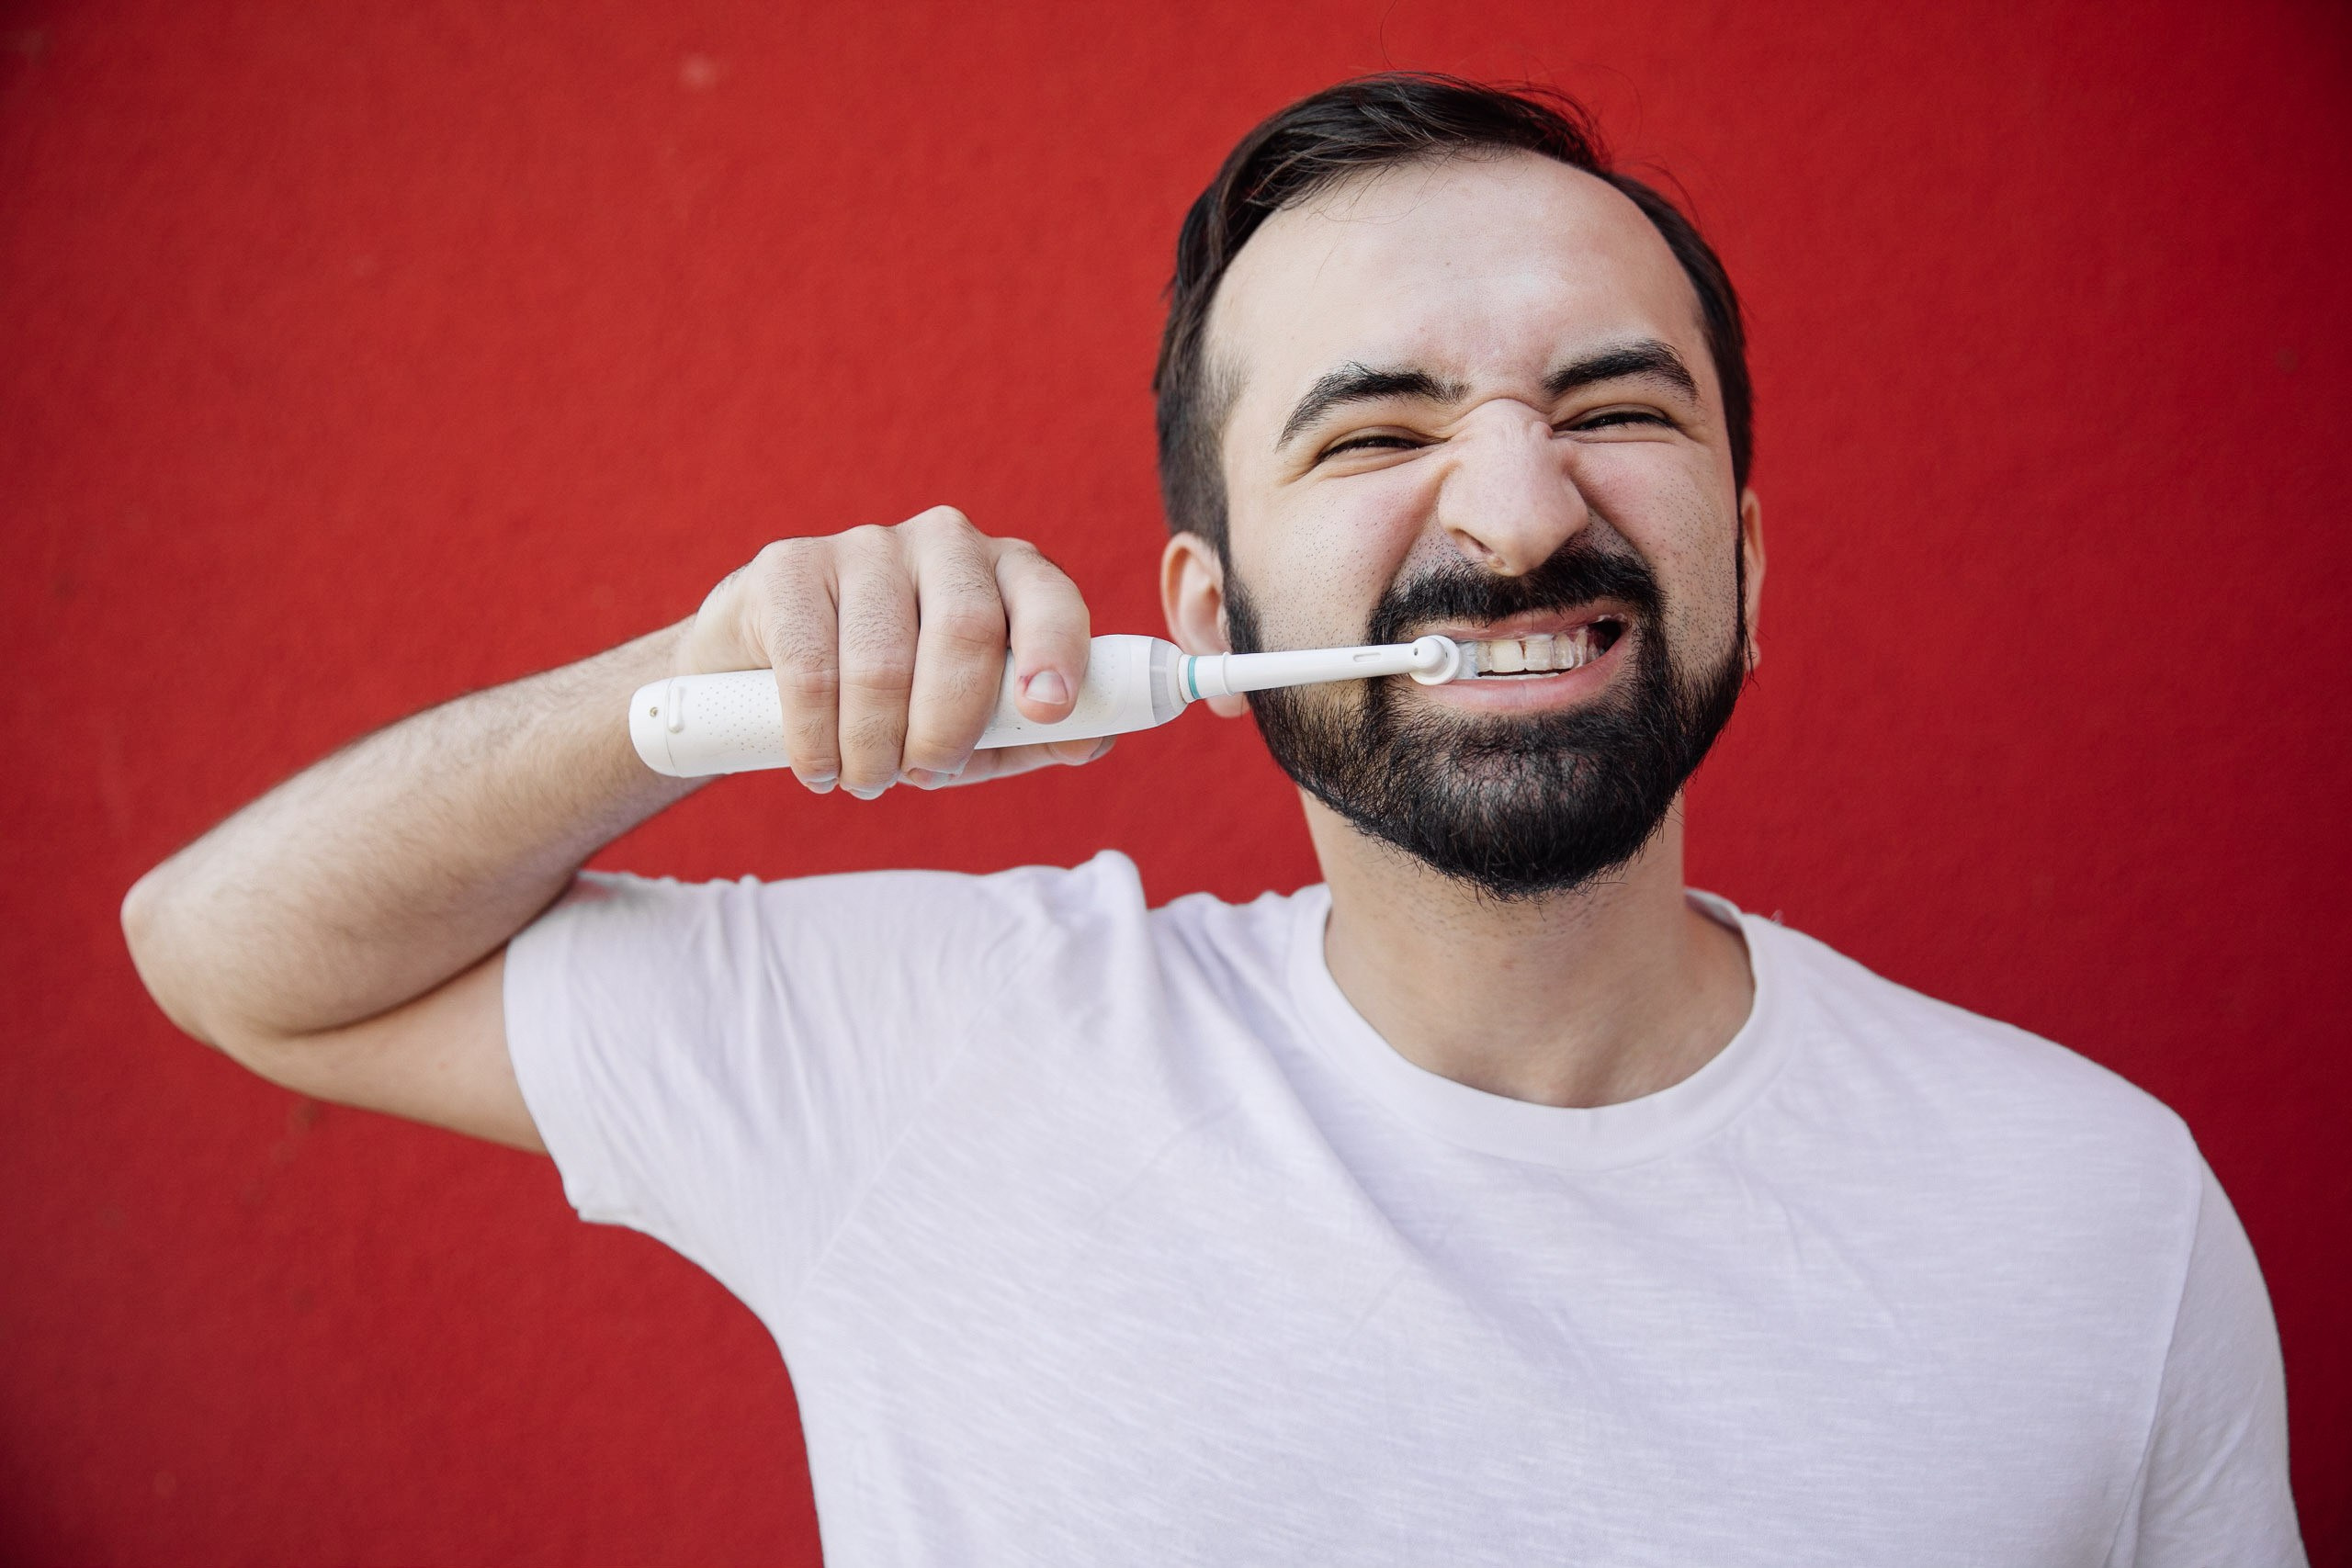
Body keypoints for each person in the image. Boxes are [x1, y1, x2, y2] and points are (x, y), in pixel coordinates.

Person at [120, 74, 2302, 1565]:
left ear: (1744, 549)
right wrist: (689, 691)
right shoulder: (938, 1053)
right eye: (1377, 431)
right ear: (1207, 605)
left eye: (1613, 408)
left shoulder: (2096, 1214)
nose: (1522, 503)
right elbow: (225, 947)